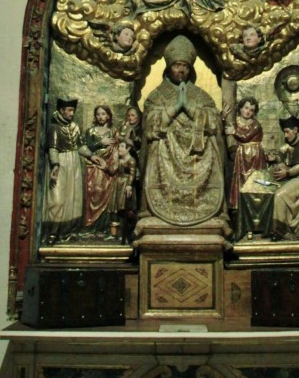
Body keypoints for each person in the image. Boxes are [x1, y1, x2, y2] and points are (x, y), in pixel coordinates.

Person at [140, 35, 225, 226]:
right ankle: (150, 208)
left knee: (212, 142)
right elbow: (150, 126)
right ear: (168, 68)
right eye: (177, 65)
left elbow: (214, 124)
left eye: (185, 66)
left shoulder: (201, 96)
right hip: (166, 156)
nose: (181, 70)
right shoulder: (157, 95)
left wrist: (190, 107)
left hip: (197, 157)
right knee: (155, 143)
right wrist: (176, 107)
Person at [42, 98, 92, 243]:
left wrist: (92, 156)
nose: (72, 113)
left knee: (73, 198)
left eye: (73, 110)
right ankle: (52, 232)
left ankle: (68, 231)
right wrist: (55, 165)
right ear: (62, 111)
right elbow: (53, 148)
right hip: (61, 163)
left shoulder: (75, 127)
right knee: (57, 199)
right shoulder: (54, 127)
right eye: (69, 110)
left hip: (74, 163)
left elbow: (80, 146)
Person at [225, 96, 267, 210]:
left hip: (254, 155)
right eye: (246, 108)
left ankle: (254, 207)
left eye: (251, 110)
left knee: (253, 180)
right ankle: (239, 206)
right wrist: (223, 117)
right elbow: (225, 128)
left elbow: (245, 137)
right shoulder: (235, 120)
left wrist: (233, 131)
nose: (248, 112)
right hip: (241, 155)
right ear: (240, 108)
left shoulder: (255, 124)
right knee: (241, 179)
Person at [82, 104, 118, 232]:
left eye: (103, 114)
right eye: (98, 114)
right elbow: (87, 147)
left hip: (107, 167)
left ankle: (104, 227)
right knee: (94, 191)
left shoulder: (113, 131)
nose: (101, 117)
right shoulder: (90, 131)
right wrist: (101, 143)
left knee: (106, 193)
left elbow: (116, 148)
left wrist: (110, 164)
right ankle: (91, 224)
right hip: (94, 166)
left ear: (108, 116)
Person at [106, 139, 137, 242]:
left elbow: (132, 174)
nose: (119, 149)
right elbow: (112, 171)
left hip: (125, 185)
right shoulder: (119, 160)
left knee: (124, 208)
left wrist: (129, 185)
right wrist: (106, 166)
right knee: (115, 208)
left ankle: (125, 234)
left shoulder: (131, 160)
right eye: (119, 146)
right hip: (117, 184)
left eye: (122, 147)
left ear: (128, 149)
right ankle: (113, 234)